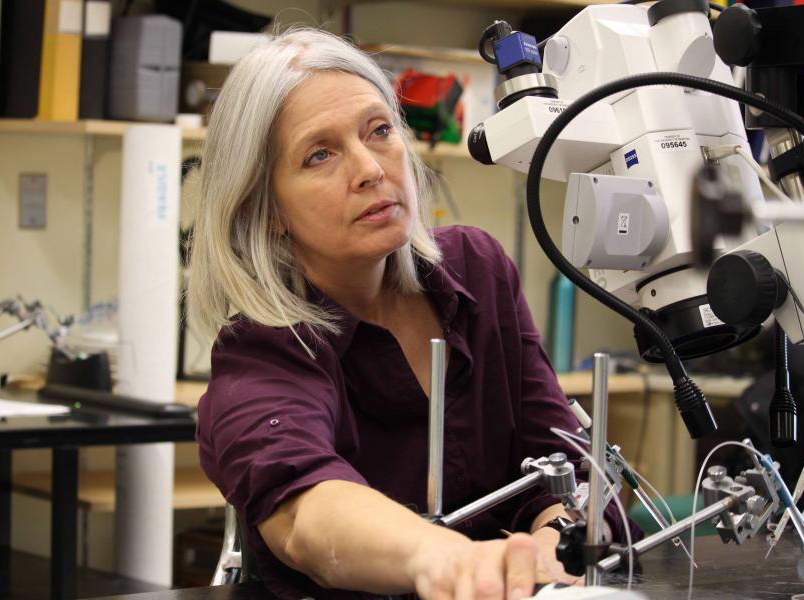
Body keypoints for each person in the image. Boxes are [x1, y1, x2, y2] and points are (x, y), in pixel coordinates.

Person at [190, 28, 638, 600]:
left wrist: (557, 541)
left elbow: (560, 463)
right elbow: (305, 515)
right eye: (319, 154)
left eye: (379, 131)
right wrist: (447, 560)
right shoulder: (262, 350)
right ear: (265, 209)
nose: (370, 169)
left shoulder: (478, 270)